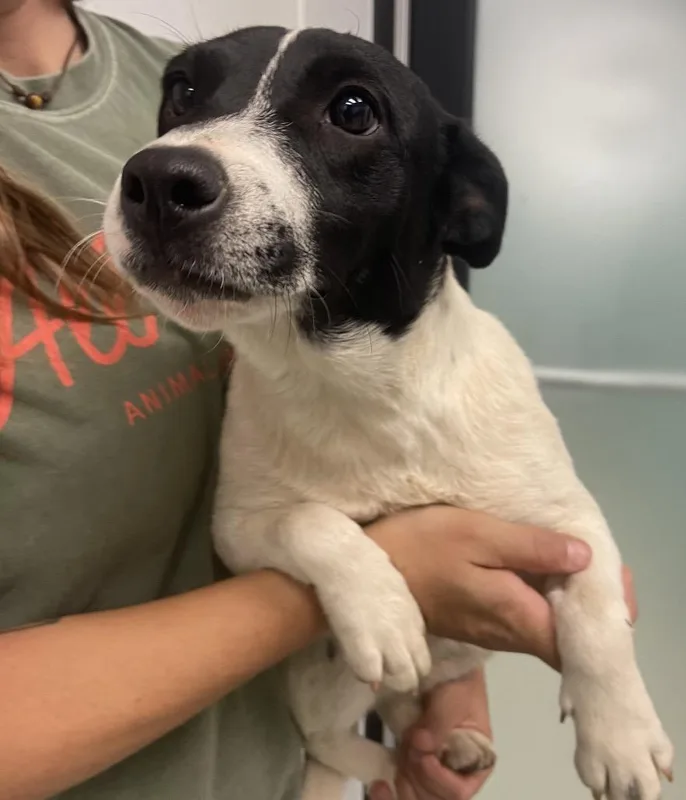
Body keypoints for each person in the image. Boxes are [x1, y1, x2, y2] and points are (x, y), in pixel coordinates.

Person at [0, 3, 636, 799]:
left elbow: (566, 544)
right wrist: (392, 574)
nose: (176, 159)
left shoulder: (163, 67)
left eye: (351, 113)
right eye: (190, 101)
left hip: (274, 754)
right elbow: (262, 527)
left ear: (455, 207)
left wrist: (444, 676)